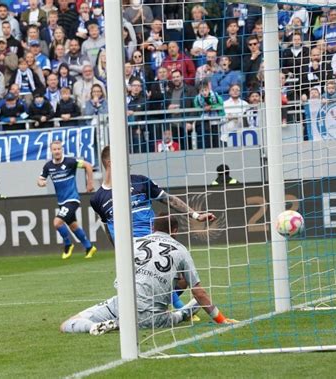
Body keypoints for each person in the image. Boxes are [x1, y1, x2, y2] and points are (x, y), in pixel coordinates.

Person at [60, 213, 238, 335]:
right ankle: (187, 310)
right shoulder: (181, 250)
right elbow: (199, 292)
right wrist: (221, 320)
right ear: (175, 231)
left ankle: (94, 327)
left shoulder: (135, 241)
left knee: (67, 324)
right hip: (153, 317)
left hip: (122, 304)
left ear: (153, 227)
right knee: (178, 315)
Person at [91, 145, 215, 309]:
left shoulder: (140, 181)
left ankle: (165, 306)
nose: (128, 164)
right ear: (111, 163)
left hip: (155, 242)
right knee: (144, 285)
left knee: (183, 279)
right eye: (123, 160)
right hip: (133, 249)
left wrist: (196, 215)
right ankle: (179, 309)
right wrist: (120, 252)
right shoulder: (98, 198)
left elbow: (169, 200)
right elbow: (108, 227)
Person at [37, 140, 97, 259]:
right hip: (61, 202)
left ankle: (68, 245)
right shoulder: (48, 166)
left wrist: (89, 183)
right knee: (73, 226)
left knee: (57, 222)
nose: (57, 151)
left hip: (72, 199)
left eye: (59, 149)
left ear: (62, 150)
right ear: (51, 151)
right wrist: (41, 183)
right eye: (54, 149)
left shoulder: (70, 162)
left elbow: (88, 166)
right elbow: (40, 179)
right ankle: (89, 247)